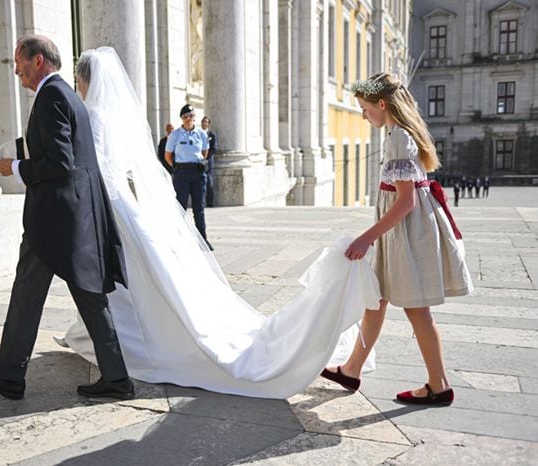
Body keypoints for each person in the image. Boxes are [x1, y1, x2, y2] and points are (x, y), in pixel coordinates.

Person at [52, 46, 380, 399]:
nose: (77, 85)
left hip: (112, 207)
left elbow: (93, 168)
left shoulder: (94, 116)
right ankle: (107, 336)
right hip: (123, 204)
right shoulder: (111, 117)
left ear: (85, 80)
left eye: (77, 79)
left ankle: (127, 342)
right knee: (141, 278)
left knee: (132, 279)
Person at [0, 35, 134, 401]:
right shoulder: (67, 95)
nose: (15, 70)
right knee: (82, 297)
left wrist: (15, 167)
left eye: (19, 62)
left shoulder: (52, 95)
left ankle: (11, 376)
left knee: (30, 294)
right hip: (71, 219)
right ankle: (116, 378)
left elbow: (61, 162)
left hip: (55, 223)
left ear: (38, 60)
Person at [321, 73, 472, 406]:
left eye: (364, 108)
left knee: (418, 311)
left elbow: (406, 202)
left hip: (407, 235)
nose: (362, 115)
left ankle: (439, 385)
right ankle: (351, 369)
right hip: (401, 233)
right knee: (375, 300)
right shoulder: (400, 134)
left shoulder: (398, 138)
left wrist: (365, 238)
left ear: (382, 104)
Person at [164, 104, 213, 250]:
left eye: (190, 116)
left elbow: (205, 152)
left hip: (197, 173)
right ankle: (178, 239)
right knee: (181, 207)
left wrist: (196, 163)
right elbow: (167, 156)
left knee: (199, 207)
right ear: (182, 118)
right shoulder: (176, 134)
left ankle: (202, 240)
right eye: (185, 117)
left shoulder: (202, 134)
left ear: (194, 117)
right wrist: (178, 168)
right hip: (182, 173)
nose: (188, 119)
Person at [201, 116, 218, 207]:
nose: (204, 123)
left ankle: (210, 202)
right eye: (203, 121)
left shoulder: (212, 135)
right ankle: (201, 202)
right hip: (199, 162)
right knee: (200, 183)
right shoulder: (198, 134)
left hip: (208, 162)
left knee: (209, 182)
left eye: (206, 122)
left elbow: (214, 148)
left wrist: (206, 157)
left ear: (208, 124)